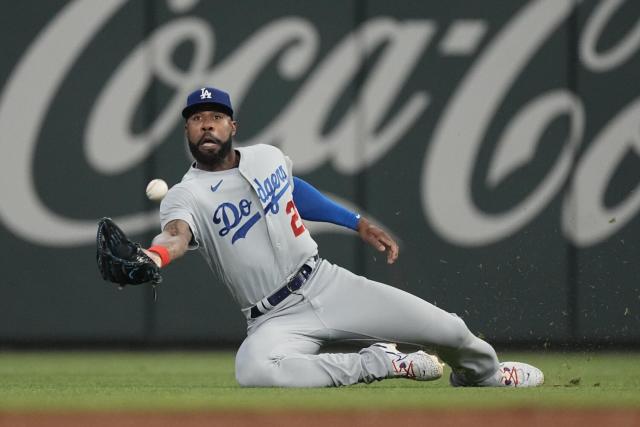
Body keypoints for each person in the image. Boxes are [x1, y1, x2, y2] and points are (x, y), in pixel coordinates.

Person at [142, 86, 544, 388]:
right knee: (253, 371)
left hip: (325, 282)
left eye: (215, 116)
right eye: (197, 118)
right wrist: (156, 257)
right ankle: (381, 362)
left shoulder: (265, 156)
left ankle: (485, 375)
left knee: (451, 330)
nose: (207, 124)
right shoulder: (185, 195)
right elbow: (177, 235)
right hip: (273, 318)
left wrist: (356, 222)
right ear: (187, 130)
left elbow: (293, 190)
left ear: (232, 125)